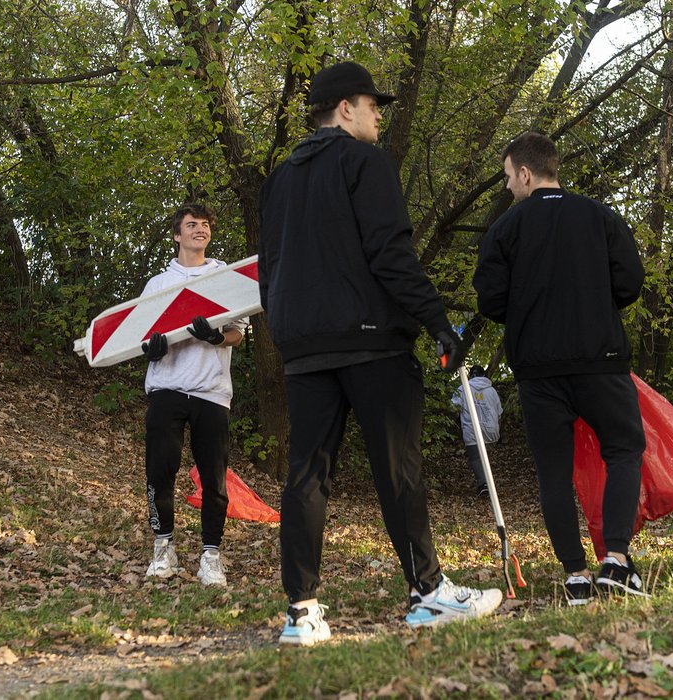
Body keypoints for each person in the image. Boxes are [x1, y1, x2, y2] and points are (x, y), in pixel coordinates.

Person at [259, 60, 502, 646]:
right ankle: (427, 594)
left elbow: (268, 266)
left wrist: (287, 329)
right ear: (346, 108)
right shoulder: (366, 162)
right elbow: (390, 253)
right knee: (397, 470)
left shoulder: (281, 178)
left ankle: (302, 613)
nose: (377, 117)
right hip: (370, 340)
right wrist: (438, 323)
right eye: (373, 106)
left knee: (307, 475)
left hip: (303, 346)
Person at [473, 132, 649, 606]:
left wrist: (529, 311)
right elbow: (630, 282)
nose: (509, 187)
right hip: (600, 361)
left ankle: (575, 577)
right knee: (624, 448)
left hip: (537, 369)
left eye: (509, 177)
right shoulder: (601, 217)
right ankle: (615, 559)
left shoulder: (505, 230)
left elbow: (490, 299)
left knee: (553, 471)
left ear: (526, 173)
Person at [140, 202, 248, 587]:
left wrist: (219, 337)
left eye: (205, 224)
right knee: (160, 471)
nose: (200, 229)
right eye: (191, 224)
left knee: (214, 479)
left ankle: (210, 556)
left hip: (212, 392)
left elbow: (239, 330)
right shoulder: (158, 284)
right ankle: (163, 548)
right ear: (177, 234)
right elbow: (140, 336)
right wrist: (148, 348)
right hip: (167, 387)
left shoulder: (225, 279)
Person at [451, 365, 503, 497]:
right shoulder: (492, 391)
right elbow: (499, 413)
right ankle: (488, 483)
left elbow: (453, 408)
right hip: (491, 429)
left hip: (472, 428)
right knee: (486, 457)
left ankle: (483, 484)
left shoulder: (463, 388)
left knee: (475, 458)